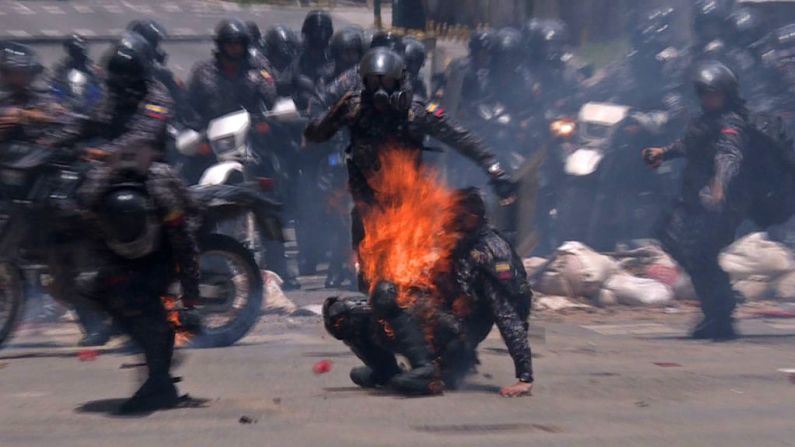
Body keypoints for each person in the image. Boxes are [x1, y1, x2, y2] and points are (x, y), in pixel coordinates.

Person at [48, 33, 201, 412]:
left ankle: (159, 378)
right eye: (113, 84)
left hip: (150, 171)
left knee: (144, 285)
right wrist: (54, 140)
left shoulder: (156, 98)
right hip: (114, 173)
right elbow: (90, 121)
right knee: (94, 273)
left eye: (121, 83)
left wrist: (192, 293)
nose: (117, 90)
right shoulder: (114, 97)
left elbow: (144, 135)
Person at [322, 188, 533, 397]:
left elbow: (508, 314)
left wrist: (524, 376)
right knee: (342, 312)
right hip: (431, 316)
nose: (448, 218)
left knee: (390, 296)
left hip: (457, 336)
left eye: (455, 213)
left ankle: (427, 371)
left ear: (472, 216)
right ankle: (384, 370)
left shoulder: (492, 252)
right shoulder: (452, 239)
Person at [643, 61, 752, 341]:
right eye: (704, 93)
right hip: (696, 201)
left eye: (713, 93)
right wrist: (663, 153)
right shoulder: (705, 121)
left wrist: (720, 183)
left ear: (727, 93)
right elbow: (688, 144)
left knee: (701, 254)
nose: (708, 99)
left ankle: (721, 314)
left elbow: (729, 155)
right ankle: (717, 311)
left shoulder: (731, 123)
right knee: (674, 239)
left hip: (719, 204)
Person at [186, 19, 299, 289]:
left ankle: (278, 264)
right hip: (213, 146)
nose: (234, 48)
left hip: (251, 144)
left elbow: (272, 103)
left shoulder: (258, 74)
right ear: (221, 45)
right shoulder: (203, 73)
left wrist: (267, 121)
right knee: (187, 194)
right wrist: (195, 134)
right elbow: (189, 109)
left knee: (269, 196)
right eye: (229, 43)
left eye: (238, 43)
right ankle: (195, 260)